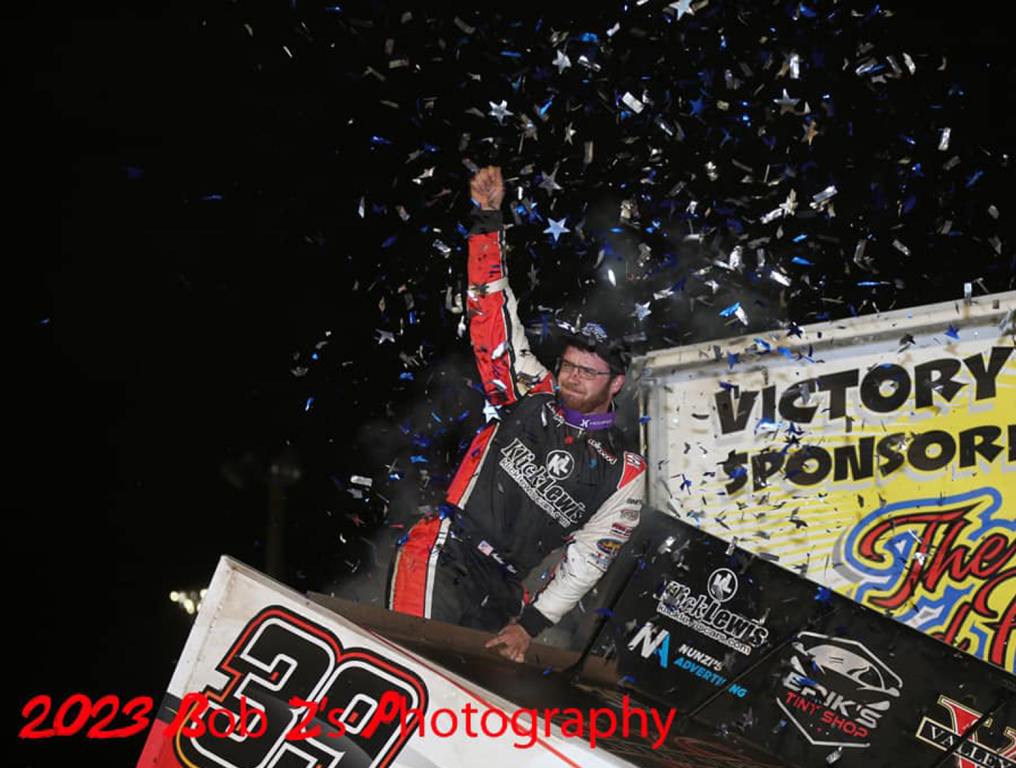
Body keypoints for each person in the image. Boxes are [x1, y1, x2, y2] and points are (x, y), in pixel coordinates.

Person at [386, 166, 647, 663]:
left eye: (587, 373)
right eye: (568, 364)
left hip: (506, 591)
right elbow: (491, 318)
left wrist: (529, 626)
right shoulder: (531, 390)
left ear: (616, 383)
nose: (571, 377)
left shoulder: (623, 470)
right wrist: (487, 222)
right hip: (447, 549)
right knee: (404, 665)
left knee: (455, 699)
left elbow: (589, 559)